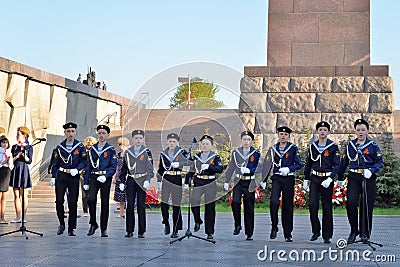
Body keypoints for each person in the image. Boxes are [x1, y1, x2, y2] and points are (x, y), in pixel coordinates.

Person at [338, 119, 383, 244]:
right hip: (354, 177)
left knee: (366, 206)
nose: (361, 132)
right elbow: (344, 163)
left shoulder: (373, 146)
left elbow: (379, 162)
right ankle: (354, 230)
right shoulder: (350, 145)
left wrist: (372, 170)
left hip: (368, 177)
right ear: (355, 131)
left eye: (363, 130)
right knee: (351, 203)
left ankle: (365, 233)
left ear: (367, 131)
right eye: (358, 130)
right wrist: (340, 178)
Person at [261, 126, 302, 242]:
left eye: (285, 134)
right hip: (277, 178)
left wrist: (289, 169)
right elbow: (267, 164)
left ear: (289, 136)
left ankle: (288, 233)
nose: (283, 136)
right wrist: (263, 179)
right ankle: (274, 226)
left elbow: (299, 164)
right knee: (274, 201)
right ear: (278, 135)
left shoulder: (293, 148)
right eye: (281, 134)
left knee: (287, 206)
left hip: (288, 179)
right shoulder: (273, 149)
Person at [303, 121, 340, 244]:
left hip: (326, 179)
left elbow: (337, 165)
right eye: (320, 129)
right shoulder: (313, 146)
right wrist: (306, 178)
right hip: (315, 178)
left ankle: (327, 235)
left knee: (326, 206)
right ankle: (316, 231)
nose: (322, 132)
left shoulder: (333, 147)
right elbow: (309, 163)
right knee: (313, 205)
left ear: (328, 132)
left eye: (325, 129)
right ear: (317, 132)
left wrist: (331, 178)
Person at [50, 122, 87, 236]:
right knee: (59, 200)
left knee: (73, 202)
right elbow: (55, 163)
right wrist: (53, 176)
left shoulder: (80, 147)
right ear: (65, 132)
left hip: (73, 175)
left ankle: (72, 228)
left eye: (72, 131)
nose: (70, 134)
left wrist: (78, 169)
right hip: (62, 175)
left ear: (75, 132)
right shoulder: (59, 147)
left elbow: (84, 161)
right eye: (68, 131)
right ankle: (61, 222)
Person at [184, 134, 223, 240]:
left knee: (210, 207)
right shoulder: (197, 157)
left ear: (211, 145)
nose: (204, 146)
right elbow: (191, 169)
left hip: (210, 182)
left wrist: (210, 166)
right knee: (194, 200)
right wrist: (187, 182)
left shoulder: (215, 157)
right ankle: (197, 220)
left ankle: (209, 232)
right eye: (203, 144)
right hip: (199, 181)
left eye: (207, 144)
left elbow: (220, 169)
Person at [224, 131, 261, 240]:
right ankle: (237, 225)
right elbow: (231, 167)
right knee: (235, 202)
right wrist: (227, 181)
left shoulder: (256, 153)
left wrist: (250, 170)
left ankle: (249, 233)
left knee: (249, 207)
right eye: (244, 139)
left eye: (248, 140)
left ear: (252, 141)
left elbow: (260, 167)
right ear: (241, 140)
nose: (246, 141)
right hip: (238, 181)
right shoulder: (236, 153)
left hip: (250, 182)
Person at [119, 130, 154, 238]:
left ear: (143, 139)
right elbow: (124, 168)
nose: (138, 140)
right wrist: (121, 181)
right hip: (131, 180)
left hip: (142, 180)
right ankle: (129, 230)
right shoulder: (128, 152)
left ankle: (141, 231)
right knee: (129, 205)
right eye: (136, 138)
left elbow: (150, 168)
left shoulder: (146, 152)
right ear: (133, 140)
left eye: (140, 138)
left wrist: (148, 179)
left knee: (141, 205)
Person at [84, 125, 117, 237]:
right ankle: (93, 223)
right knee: (90, 199)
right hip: (94, 177)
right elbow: (88, 166)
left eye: (103, 133)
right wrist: (86, 182)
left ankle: (104, 228)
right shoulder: (92, 149)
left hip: (105, 178)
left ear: (107, 135)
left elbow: (113, 166)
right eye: (99, 133)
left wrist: (106, 176)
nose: (101, 135)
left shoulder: (110, 150)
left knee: (104, 203)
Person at [157, 133, 189, 238]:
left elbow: (188, 162)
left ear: (177, 142)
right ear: (167, 142)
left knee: (176, 204)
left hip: (177, 178)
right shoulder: (163, 153)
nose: (172, 143)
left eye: (174, 141)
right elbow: (161, 168)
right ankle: (166, 222)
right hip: (167, 179)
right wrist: (158, 181)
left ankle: (175, 229)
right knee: (164, 204)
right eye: (170, 141)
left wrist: (179, 164)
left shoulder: (181, 152)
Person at [9, 126, 33, 223]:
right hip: (16, 169)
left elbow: (29, 161)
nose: (17, 136)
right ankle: (18, 216)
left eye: (19, 134)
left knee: (24, 195)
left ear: (25, 136)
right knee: (16, 194)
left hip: (24, 169)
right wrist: (17, 156)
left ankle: (24, 217)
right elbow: (11, 160)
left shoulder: (29, 147)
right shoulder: (15, 147)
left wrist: (24, 156)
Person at [112, 137, 129, 219]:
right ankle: (122, 213)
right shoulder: (118, 155)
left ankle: (128, 212)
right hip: (119, 177)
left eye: (123, 144)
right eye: (120, 144)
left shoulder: (129, 154)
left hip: (127, 177)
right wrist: (114, 177)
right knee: (120, 197)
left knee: (127, 196)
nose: (121, 146)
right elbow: (116, 167)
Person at [82, 136, 98, 217]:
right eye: (88, 145)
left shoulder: (95, 152)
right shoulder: (84, 153)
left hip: (93, 174)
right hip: (84, 173)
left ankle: (92, 209)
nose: (89, 146)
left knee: (92, 194)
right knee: (84, 193)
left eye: (91, 145)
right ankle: (85, 209)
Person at [0, 136, 12, 224]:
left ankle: (2, 217)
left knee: (4, 196)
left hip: (6, 172)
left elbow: (11, 166)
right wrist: (2, 162)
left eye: (6, 143)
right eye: (3, 142)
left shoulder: (9, 152)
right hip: (0, 170)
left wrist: (9, 161)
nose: (5, 144)